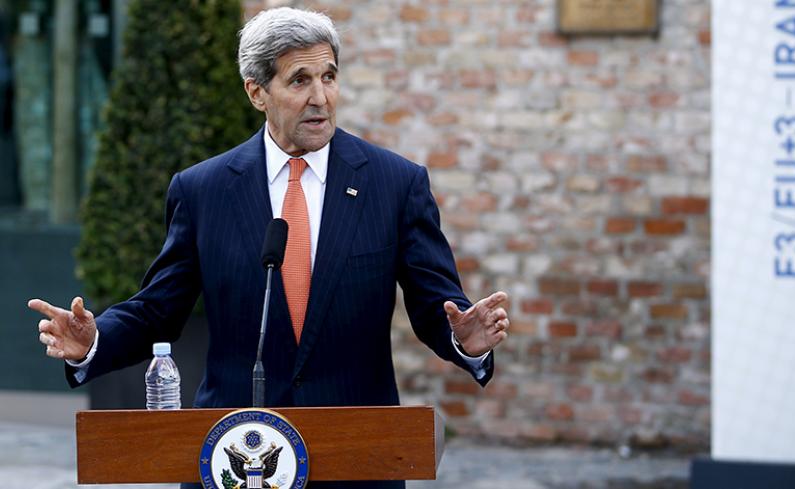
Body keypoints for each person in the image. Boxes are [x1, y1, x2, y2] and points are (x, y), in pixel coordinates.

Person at [28, 7, 509, 489]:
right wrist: (95, 343)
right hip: (233, 456)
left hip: (357, 454)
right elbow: (158, 310)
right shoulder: (204, 190)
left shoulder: (395, 184)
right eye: (299, 80)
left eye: (329, 76)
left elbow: (436, 306)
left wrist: (463, 339)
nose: (321, 97)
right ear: (256, 91)